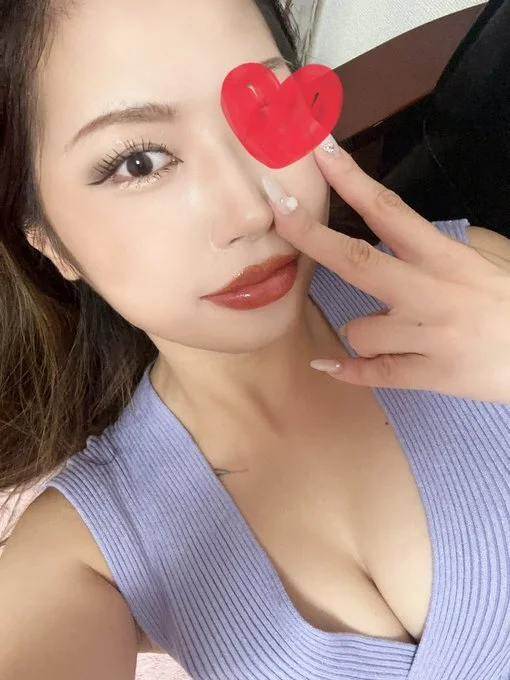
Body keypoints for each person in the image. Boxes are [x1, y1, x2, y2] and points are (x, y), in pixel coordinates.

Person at [0, 2, 508, 680]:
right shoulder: (80, 553)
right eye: (140, 162)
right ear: (49, 242)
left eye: (264, 108)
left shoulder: (477, 280)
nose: (252, 209)